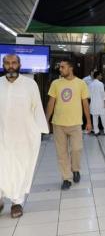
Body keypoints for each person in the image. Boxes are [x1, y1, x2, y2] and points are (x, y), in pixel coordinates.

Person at [0, 54, 49, 218]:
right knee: (2, 168)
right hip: (1, 136)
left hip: (23, 137)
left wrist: (41, 130)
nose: (10, 66)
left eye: (14, 63)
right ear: (3, 65)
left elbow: (37, 108)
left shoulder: (30, 84)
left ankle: (16, 202)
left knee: (20, 168)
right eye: (7, 63)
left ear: (19, 65)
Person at [46, 59, 91, 190]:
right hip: (58, 124)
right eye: (60, 67)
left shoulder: (81, 83)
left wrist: (89, 121)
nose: (60, 69)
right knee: (62, 153)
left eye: (62, 67)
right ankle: (66, 178)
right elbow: (51, 103)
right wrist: (46, 120)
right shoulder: (56, 83)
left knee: (77, 149)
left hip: (76, 123)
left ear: (70, 68)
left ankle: (75, 169)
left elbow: (85, 104)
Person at [89, 71, 105, 136]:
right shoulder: (100, 84)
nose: (101, 76)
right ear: (98, 76)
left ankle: (96, 131)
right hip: (101, 103)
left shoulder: (91, 84)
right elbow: (103, 94)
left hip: (93, 104)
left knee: (95, 118)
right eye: (100, 75)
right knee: (104, 118)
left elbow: (89, 95)